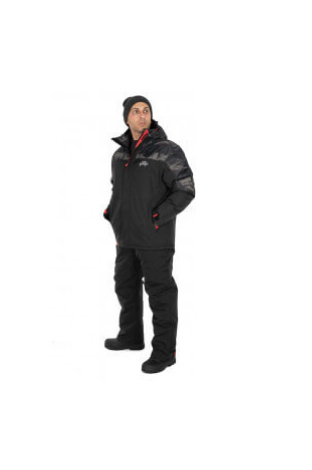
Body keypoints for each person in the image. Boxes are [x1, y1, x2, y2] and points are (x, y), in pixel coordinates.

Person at [103, 95, 195, 374]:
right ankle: (131, 336)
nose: (142, 115)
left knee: (160, 293)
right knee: (125, 286)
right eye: (136, 111)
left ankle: (165, 353)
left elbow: (185, 189)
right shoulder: (119, 155)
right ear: (126, 118)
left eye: (146, 111)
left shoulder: (167, 151)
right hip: (126, 236)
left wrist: (157, 218)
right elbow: (118, 190)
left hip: (155, 237)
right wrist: (112, 213)